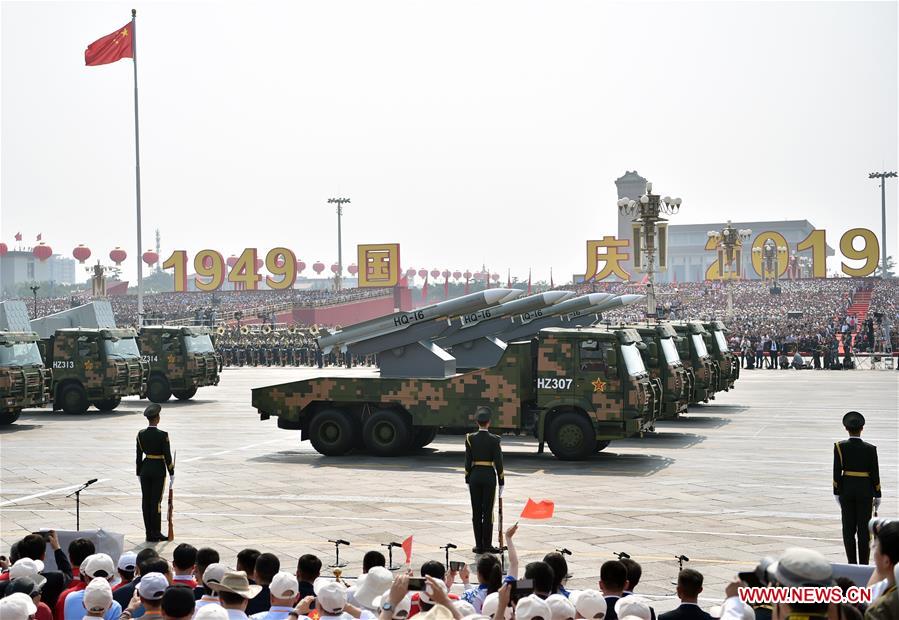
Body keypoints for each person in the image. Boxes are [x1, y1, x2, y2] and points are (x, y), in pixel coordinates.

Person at [833, 411, 882, 564]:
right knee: (864, 531)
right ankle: (864, 564)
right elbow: (875, 473)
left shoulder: (839, 447)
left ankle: (852, 563)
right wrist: (877, 493)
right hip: (865, 491)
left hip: (846, 490)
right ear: (862, 428)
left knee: (848, 529)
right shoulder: (870, 448)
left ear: (846, 428)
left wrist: (837, 491)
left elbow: (836, 471)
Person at [465, 406, 504, 554]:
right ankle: (487, 544)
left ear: (477, 422)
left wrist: (467, 478)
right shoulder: (495, 440)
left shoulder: (470, 438)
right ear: (489, 422)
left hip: (474, 476)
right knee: (488, 512)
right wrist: (501, 480)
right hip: (488, 476)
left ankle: (478, 545)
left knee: (476, 511)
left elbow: (467, 461)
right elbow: (498, 463)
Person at [136, 404, 175, 543]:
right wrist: (171, 471)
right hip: (158, 469)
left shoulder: (140, 434)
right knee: (156, 503)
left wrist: (138, 472)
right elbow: (167, 455)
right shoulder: (162, 435)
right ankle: (156, 532)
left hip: (145, 469)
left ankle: (148, 532)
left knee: (146, 502)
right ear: (157, 418)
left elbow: (138, 456)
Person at [865, 521, 899, 620]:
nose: (873, 550)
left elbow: (870, 595)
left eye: (875, 546)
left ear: (886, 561)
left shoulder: (880, 610)